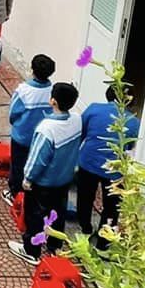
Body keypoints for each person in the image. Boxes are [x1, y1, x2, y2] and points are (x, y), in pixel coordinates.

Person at [16, 83, 85, 262]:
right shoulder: (77, 120)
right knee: (58, 212)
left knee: (36, 216)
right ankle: (55, 246)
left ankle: (31, 250)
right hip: (65, 178)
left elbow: (38, 158)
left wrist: (28, 178)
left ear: (53, 101)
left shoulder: (47, 128)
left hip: (44, 183)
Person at [74, 98, 139, 242]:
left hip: (89, 161)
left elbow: (81, 132)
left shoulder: (93, 109)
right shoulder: (134, 122)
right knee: (111, 206)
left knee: (85, 197)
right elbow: (129, 146)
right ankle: (104, 240)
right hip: (114, 169)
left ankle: (85, 228)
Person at [7, 54, 57, 201]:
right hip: (43, 137)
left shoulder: (23, 90)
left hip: (22, 136)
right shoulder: (53, 91)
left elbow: (13, 113)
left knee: (18, 165)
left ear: (32, 69)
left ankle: (15, 194)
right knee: (36, 162)